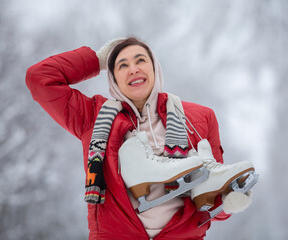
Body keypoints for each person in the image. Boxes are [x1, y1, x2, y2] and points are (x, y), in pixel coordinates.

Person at [26, 37, 254, 240]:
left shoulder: (200, 117)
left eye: (140, 60)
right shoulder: (93, 117)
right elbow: (39, 79)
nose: (133, 69)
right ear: (113, 76)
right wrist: (96, 60)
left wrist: (228, 202)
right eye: (121, 65)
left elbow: (207, 194)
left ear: (155, 68)